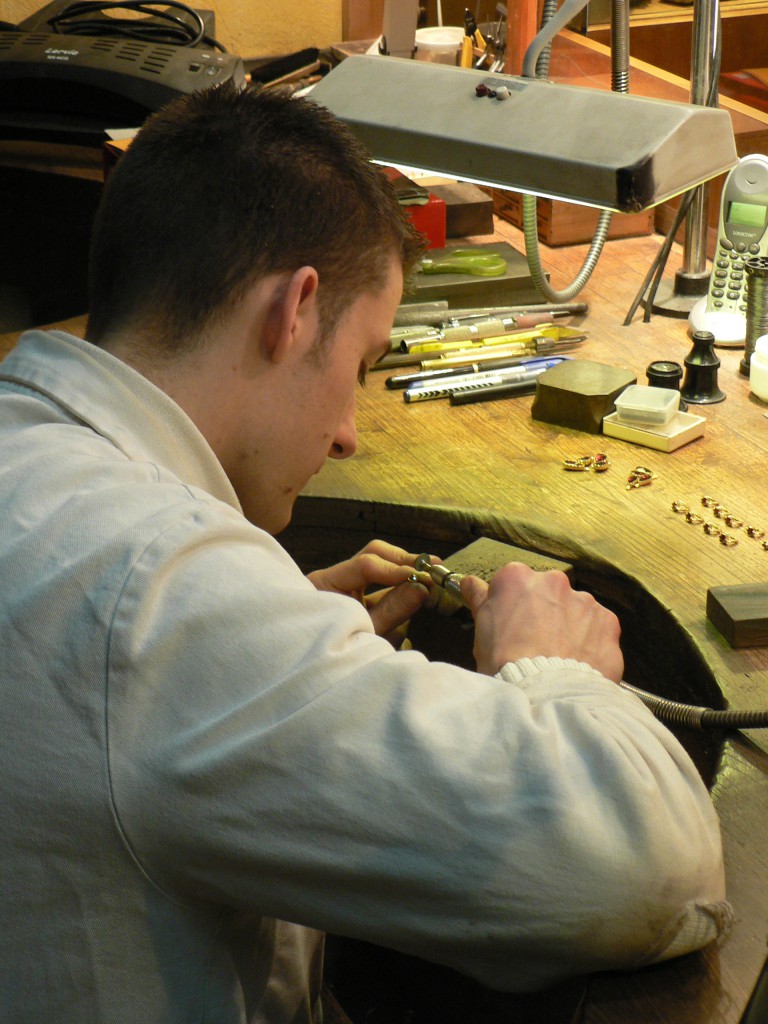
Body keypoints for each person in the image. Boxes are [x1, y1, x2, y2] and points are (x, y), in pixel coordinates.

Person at [0, 82, 729, 1024]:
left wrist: (284, 627)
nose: (348, 434)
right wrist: (554, 667)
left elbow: (107, 699)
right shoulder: (156, 597)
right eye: (361, 362)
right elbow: (646, 871)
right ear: (294, 310)